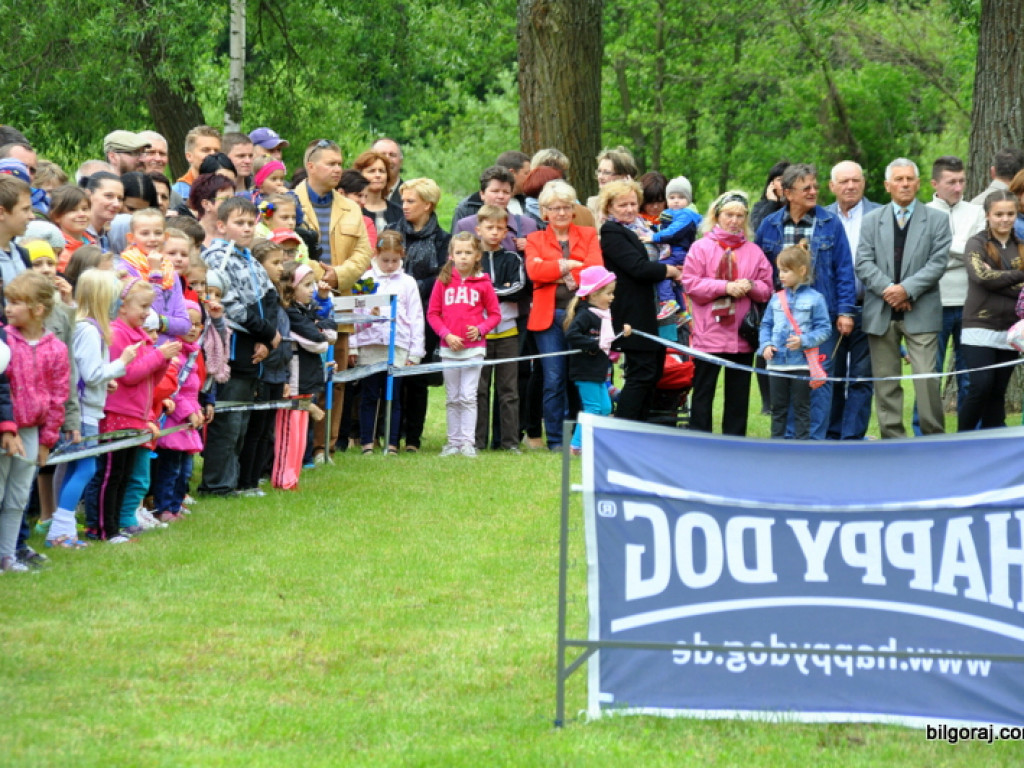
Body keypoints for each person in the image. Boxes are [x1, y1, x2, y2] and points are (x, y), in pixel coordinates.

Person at [755, 163, 856, 440]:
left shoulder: (829, 223)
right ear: (788, 193)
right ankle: (787, 440)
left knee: (817, 380)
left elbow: (844, 269)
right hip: (782, 319)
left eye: (815, 186)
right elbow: (762, 271)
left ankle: (813, 440)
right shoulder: (770, 224)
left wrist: (846, 311)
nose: (814, 192)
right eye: (806, 188)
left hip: (820, 318)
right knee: (786, 381)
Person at [855, 157, 952, 438]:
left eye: (910, 179)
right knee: (885, 382)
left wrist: (906, 290)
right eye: (899, 179)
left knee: (926, 380)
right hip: (881, 312)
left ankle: (933, 438)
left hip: (921, 310)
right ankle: (892, 439)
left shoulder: (937, 220)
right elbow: (863, 262)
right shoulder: (872, 221)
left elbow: (937, 263)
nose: (905, 184)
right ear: (888, 185)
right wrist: (890, 291)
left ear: (918, 183)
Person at [45, 270, 138, 547]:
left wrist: (105, 380)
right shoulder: (88, 329)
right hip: (83, 412)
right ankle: (61, 529)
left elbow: (89, 374)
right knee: (86, 468)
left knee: (78, 467)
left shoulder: (87, 327)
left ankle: (62, 528)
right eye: (115, 298)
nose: (118, 304)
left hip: (88, 408)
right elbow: (91, 373)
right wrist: (122, 362)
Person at [293, 139, 373, 457]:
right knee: (301, 378)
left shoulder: (351, 208)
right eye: (331, 163)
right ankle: (295, 445)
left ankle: (323, 445)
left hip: (338, 303)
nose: (338, 168)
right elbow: (279, 245)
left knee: (335, 378)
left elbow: (365, 253)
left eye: (340, 163)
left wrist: (337, 275)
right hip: (299, 304)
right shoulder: (288, 202)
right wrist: (316, 273)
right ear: (311, 166)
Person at [199, 198, 281, 494]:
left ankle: (234, 481)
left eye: (251, 223)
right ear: (221, 225)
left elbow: (269, 298)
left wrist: (267, 340)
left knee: (243, 421)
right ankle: (217, 484)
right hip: (233, 351)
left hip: (255, 350)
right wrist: (265, 332)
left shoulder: (251, 259)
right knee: (228, 422)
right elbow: (228, 305)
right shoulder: (216, 259)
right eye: (240, 223)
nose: (247, 229)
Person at [684, 190, 773, 436]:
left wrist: (751, 287)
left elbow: (767, 289)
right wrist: (725, 287)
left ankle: (734, 441)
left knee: (738, 395)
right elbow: (691, 285)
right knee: (703, 391)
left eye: (739, 216)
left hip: (740, 336)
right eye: (728, 214)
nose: (734, 220)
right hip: (708, 333)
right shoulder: (700, 248)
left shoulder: (754, 251)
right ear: (717, 215)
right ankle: (700, 438)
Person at [525, 180, 604, 449]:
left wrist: (555, 270)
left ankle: (579, 438)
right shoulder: (535, 238)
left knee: (579, 378)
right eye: (554, 208)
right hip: (548, 318)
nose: (560, 213)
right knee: (554, 378)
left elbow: (595, 272)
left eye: (566, 207)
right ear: (544, 212)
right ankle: (556, 439)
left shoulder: (588, 234)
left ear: (573, 210)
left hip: (581, 316)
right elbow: (534, 273)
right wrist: (570, 265)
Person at [0, 271, 69, 570]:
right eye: (8, 302)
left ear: (38, 309)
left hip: (32, 432)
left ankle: (7, 555)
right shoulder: (4, 342)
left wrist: (47, 441)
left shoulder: (56, 348)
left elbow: (58, 397)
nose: (8, 308)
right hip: (5, 430)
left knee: (17, 498)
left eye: (16, 303)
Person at [601, 179, 683, 423]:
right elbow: (637, 268)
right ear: (609, 207)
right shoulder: (611, 232)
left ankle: (642, 426)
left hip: (657, 309)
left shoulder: (644, 228)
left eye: (632, 203)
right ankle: (624, 427)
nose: (628, 209)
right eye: (621, 205)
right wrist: (670, 272)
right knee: (641, 373)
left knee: (654, 372)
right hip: (633, 313)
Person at [385, 177, 450, 452]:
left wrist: (412, 287)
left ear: (428, 205)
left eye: (411, 201)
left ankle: (413, 437)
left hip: (426, 313)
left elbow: (443, 277)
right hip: (392, 315)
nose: (405, 206)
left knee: (418, 378)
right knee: (393, 376)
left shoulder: (442, 239)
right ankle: (389, 434)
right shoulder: (391, 232)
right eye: (403, 200)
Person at [350, 230, 425, 454]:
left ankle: (392, 442)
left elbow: (416, 317)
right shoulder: (365, 280)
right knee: (369, 394)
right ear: (376, 254)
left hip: (398, 346)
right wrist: (353, 344)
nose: (390, 265)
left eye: (395, 260)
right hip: (371, 344)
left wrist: (415, 352)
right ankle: (367, 442)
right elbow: (353, 315)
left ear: (402, 256)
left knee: (393, 395)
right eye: (385, 260)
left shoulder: (408, 282)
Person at [427, 232, 501, 457]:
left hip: (474, 350)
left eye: (468, 252)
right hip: (449, 349)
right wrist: (446, 335)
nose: (463, 257)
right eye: (459, 252)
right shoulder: (443, 281)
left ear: (477, 255)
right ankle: (453, 442)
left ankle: (468, 442)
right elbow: (433, 314)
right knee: (452, 397)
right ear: (451, 255)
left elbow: (495, 315)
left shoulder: (484, 283)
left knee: (468, 396)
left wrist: (480, 329)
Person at [957, 191, 1024, 431]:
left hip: (1011, 330)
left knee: (997, 391)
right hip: (979, 326)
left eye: (1010, 214)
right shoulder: (976, 243)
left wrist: (998, 279)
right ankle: (961, 438)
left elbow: (992, 280)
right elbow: (981, 276)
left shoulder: (1021, 246)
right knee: (980, 387)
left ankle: (993, 441)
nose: (1004, 219)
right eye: (999, 214)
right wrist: (1019, 277)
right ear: (987, 215)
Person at [925, 155, 986, 416]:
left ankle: (968, 431)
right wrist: (963, 252)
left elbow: (979, 252)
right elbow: (922, 256)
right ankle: (925, 432)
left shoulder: (976, 212)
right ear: (935, 184)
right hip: (933, 302)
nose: (959, 188)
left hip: (969, 302)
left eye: (962, 181)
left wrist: (943, 249)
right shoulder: (923, 213)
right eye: (951, 182)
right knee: (929, 374)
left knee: (969, 374)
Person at [824, 160, 880, 440]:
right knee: (831, 374)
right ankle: (832, 432)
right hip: (830, 310)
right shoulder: (821, 217)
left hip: (870, 306)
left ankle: (853, 435)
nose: (850, 186)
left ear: (864, 183)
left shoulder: (880, 214)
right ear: (832, 186)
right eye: (844, 181)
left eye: (855, 180)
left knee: (861, 375)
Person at [758, 242, 831, 439]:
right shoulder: (776, 298)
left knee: (802, 408)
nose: (781, 275)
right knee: (778, 408)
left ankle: (802, 447)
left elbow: (825, 329)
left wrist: (804, 340)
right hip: (776, 364)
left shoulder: (816, 299)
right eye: (779, 270)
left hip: (801, 365)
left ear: (802, 271)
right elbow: (765, 325)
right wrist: (765, 345)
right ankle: (776, 445)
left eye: (786, 271)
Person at [474, 205, 528, 452]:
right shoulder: (471, 261)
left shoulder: (513, 258)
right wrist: (496, 292)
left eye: (500, 228)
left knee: (508, 390)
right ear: (479, 229)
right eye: (490, 227)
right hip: (478, 334)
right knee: (479, 389)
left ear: (506, 230)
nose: (495, 232)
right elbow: (469, 293)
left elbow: (518, 288)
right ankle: (476, 441)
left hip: (507, 332)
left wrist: (487, 293)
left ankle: (509, 443)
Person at [152, 301, 209, 521]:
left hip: (187, 421)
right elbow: (175, 390)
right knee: (170, 469)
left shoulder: (193, 353)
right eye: (189, 323)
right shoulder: (175, 353)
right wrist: (188, 411)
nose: (193, 329)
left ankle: (175, 506)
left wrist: (197, 410)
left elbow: (193, 391)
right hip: (173, 421)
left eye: (198, 324)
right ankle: (164, 508)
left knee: (185, 471)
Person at [564, 265, 627, 455]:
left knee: (606, 407)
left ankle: (593, 442)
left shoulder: (603, 316)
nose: (612, 297)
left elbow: (609, 341)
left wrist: (623, 334)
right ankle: (576, 446)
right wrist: (593, 343)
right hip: (585, 371)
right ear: (593, 294)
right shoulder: (586, 315)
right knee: (592, 408)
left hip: (598, 372)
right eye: (608, 293)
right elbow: (572, 335)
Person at [648, 175, 701, 320]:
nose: (676, 200)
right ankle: (682, 311)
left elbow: (673, 232)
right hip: (673, 252)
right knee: (674, 282)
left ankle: (667, 301)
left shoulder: (686, 215)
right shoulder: (671, 214)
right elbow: (665, 227)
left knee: (662, 271)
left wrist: (653, 237)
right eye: (672, 197)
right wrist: (653, 227)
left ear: (688, 200)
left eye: (681, 197)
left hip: (678, 253)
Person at [453, 166, 537, 253]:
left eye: (506, 192)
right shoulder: (465, 226)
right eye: (495, 191)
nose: (501, 196)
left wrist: (531, 247)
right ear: (482, 194)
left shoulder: (528, 225)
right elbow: (454, 261)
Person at [353, 150, 402, 235]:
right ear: (360, 175)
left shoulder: (399, 212)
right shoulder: (353, 210)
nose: (378, 175)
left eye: (382, 171)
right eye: (372, 171)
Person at [588, 146, 639, 223]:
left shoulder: (637, 203)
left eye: (607, 172)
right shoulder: (593, 203)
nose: (600, 177)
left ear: (624, 176)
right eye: (599, 171)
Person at [172, 125, 222, 201]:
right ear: (189, 156)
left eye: (216, 151)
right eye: (205, 150)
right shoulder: (176, 194)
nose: (213, 154)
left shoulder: (226, 190)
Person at [48, 185, 92, 269]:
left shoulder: (91, 242)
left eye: (85, 209)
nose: (82, 214)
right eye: (73, 210)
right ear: (57, 216)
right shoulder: (57, 250)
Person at [82, 172, 124, 251]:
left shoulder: (105, 237)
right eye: (109, 196)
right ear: (88, 195)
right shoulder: (75, 235)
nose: (117, 204)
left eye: (120, 199)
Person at [496, 150, 530, 216]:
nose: (530, 177)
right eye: (527, 173)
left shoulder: (526, 202)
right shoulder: (474, 205)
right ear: (511, 173)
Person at [371, 138, 404, 205]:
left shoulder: (411, 196)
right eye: (382, 154)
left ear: (401, 162)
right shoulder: (358, 196)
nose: (387, 159)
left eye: (392, 155)